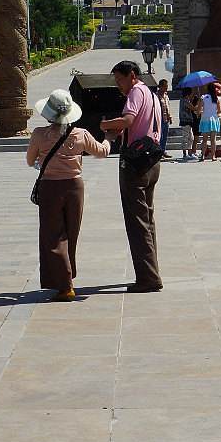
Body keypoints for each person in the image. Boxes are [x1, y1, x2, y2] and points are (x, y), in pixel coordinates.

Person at [26, 89, 110, 302]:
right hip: (75, 187)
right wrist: (110, 137)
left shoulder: (38, 134)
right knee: (70, 234)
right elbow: (102, 152)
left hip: (50, 188)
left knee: (53, 236)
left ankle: (65, 285)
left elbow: (30, 161)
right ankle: (66, 278)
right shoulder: (80, 134)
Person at [99, 61, 162, 293]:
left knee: (137, 222)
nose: (118, 86)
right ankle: (152, 270)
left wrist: (105, 124)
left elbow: (128, 120)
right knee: (148, 219)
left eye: (119, 80)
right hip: (152, 161)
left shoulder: (136, 92)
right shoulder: (151, 94)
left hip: (136, 163)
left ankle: (148, 278)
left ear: (132, 75)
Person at [198, 82, 221, 161]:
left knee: (204, 139)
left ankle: (202, 155)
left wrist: (201, 112)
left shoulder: (203, 97)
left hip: (205, 119)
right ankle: (213, 156)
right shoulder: (216, 99)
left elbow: (199, 110)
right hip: (214, 120)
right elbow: (219, 111)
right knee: (213, 139)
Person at [181, 88, 201, 160]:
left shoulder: (186, 100)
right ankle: (185, 154)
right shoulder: (185, 100)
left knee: (191, 138)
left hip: (189, 122)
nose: (191, 95)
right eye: (191, 93)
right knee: (185, 138)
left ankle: (190, 153)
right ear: (188, 94)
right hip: (185, 121)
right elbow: (193, 108)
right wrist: (200, 103)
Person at [155, 79, 172, 153]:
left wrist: (170, 117)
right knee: (160, 136)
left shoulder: (166, 96)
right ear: (161, 87)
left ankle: (163, 151)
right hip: (160, 118)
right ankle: (159, 152)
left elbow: (168, 106)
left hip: (166, 118)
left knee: (165, 136)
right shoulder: (156, 96)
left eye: (167, 86)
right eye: (165, 86)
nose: (166, 88)